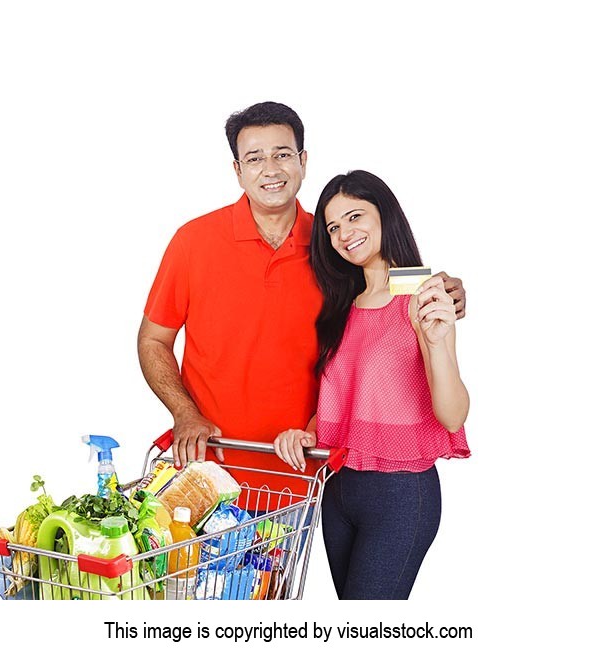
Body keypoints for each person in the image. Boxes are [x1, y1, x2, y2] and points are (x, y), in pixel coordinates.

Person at [138, 102, 467, 493]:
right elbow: (154, 340)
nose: (271, 169)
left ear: (303, 161)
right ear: (238, 171)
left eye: (282, 154)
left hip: (297, 472)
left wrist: (441, 285)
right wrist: (184, 413)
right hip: (209, 468)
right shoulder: (192, 242)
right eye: (255, 158)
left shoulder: (331, 245)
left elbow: (385, 283)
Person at [273, 170, 470, 600]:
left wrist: (437, 345)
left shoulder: (421, 291)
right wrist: (307, 431)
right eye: (333, 226)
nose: (345, 233)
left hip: (399, 494)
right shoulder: (341, 304)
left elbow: (453, 414)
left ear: (385, 214)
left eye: (355, 216)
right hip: (337, 489)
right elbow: (346, 397)